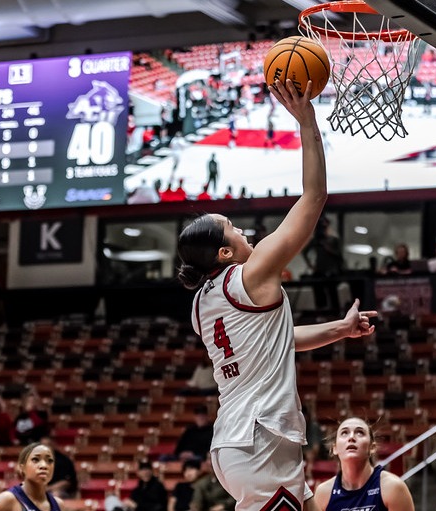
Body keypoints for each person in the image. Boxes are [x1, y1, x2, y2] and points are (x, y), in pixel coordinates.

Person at [176, 78, 377, 511]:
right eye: (234, 227)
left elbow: (278, 342)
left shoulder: (202, 303)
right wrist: (307, 122)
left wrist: (340, 330)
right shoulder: (252, 272)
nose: (244, 229)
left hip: (239, 442)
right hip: (260, 440)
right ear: (226, 251)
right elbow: (314, 196)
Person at [313, 417, 414, 511]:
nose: (351, 437)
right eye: (344, 433)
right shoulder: (323, 493)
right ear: (334, 448)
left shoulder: (392, 487)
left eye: (360, 432)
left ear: (372, 447)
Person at [0, 442, 63, 511]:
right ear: (22, 467)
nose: (44, 465)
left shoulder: (59, 504)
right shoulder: (7, 500)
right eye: (35, 459)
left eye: (50, 461)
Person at [304, 216, 344, 314]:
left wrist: (327, 247)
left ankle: (335, 312)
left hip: (331, 270)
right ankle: (321, 311)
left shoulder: (333, 239)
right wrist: (310, 265)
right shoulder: (316, 240)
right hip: (319, 269)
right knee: (319, 292)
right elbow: (305, 251)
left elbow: (339, 255)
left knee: (332, 292)